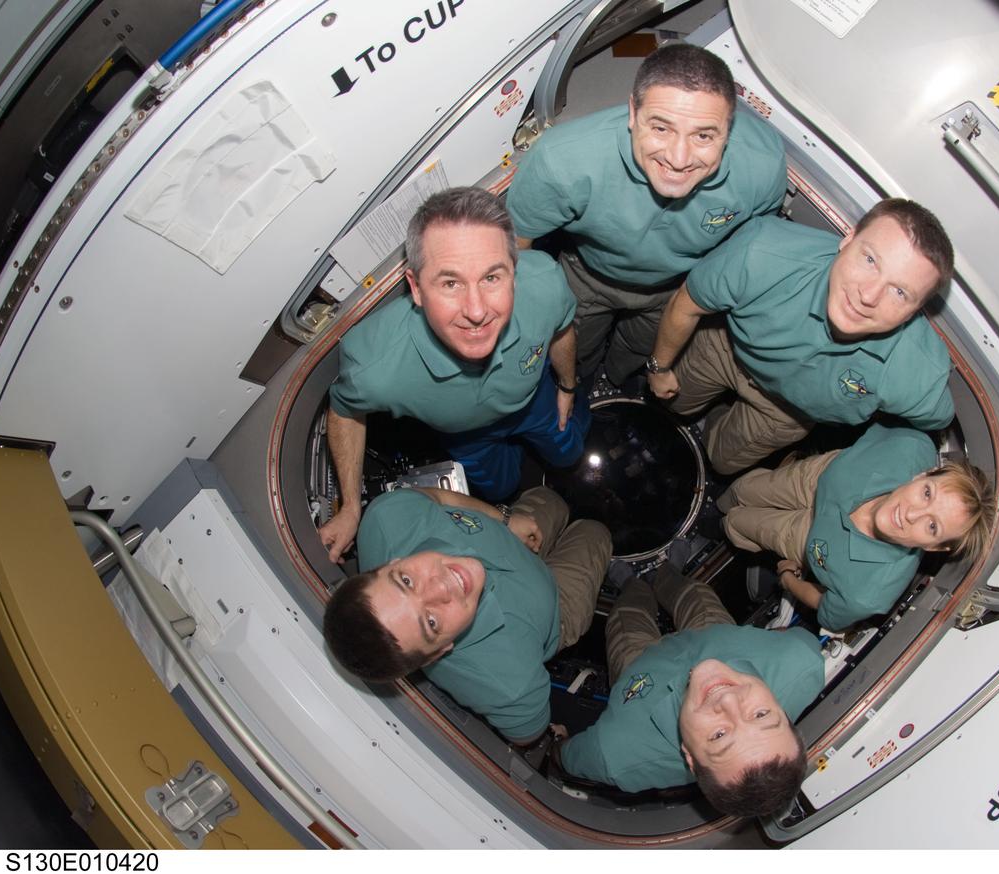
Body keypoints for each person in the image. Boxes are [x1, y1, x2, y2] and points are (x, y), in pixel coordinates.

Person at [319, 186, 588, 563]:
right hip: (468, 439)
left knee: (569, 449)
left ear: (515, 271)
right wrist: (350, 506)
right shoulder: (376, 367)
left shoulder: (542, 282)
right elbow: (345, 411)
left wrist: (567, 384)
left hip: (536, 401)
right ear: (415, 288)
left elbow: (561, 329)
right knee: (501, 486)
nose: (476, 311)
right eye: (450, 283)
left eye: (492, 278)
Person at [507, 42, 786, 386]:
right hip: (587, 277)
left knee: (638, 352)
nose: (679, 158)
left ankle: (620, 381)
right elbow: (515, 248)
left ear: (729, 131)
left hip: (674, 289)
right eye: (661, 128)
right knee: (577, 352)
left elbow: (753, 244)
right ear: (632, 113)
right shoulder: (562, 159)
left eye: (703, 135)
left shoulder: (763, 163)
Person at [647, 198, 956, 475]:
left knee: (722, 461)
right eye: (870, 260)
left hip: (787, 413)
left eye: (900, 292)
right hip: (726, 348)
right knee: (675, 406)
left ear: (915, 312)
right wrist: (659, 368)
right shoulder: (763, 252)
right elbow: (685, 303)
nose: (869, 295)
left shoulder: (918, 375)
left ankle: (716, 423)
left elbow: (935, 424)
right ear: (848, 238)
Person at [323, 485, 611, 744]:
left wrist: (505, 519)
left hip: (513, 533)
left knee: (551, 498)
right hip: (560, 608)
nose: (442, 586)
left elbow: (433, 496)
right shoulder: (509, 684)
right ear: (438, 653)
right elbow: (528, 734)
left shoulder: (388, 518)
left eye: (406, 581)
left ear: (391, 563)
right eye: (431, 623)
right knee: (596, 532)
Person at [555, 563, 821, 817]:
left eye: (719, 734)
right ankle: (664, 572)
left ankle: (632, 583)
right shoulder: (802, 661)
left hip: (637, 666)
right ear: (783, 713)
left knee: (628, 617)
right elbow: (796, 639)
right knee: (694, 594)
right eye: (761, 715)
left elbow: (567, 757)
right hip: (712, 633)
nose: (728, 699)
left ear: (689, 759)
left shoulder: (618, 755)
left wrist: (559, 742)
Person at [719, 422, 995, 630]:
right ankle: (721, 501)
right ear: (925, 473)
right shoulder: (910, 445)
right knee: (744, 488)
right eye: (927, 493)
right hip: (820, 478)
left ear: (934, 546)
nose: (912, 514)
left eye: (932, 526)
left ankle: (720, 523)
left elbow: (825, 606)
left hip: (804, 540)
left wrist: (788, 579)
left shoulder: (869, 593)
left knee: (738, 523)